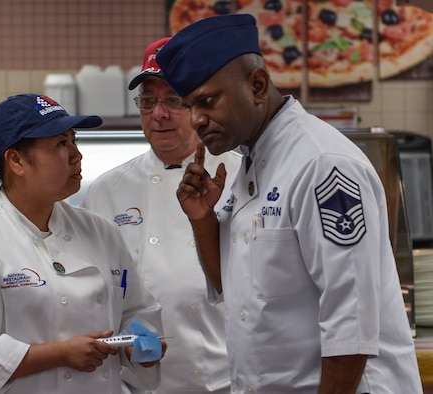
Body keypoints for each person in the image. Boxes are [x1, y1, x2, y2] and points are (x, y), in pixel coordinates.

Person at [155, 14, 423, 393]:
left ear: (258, 85)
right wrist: (203, 222)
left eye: (207, 101)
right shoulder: (248, 164)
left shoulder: (321, 164)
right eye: (190, 105)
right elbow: (236, 289)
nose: (196, 119)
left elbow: (352, 322)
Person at [0, 94, 166, 394]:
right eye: (61, 144)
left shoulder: (101, 232)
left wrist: (138, 346)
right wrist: (60, 354)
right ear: (17, 160)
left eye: (74, 141)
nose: (77, 155)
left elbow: (136, 311)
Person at [81, 38, 240, 393]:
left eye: (172, 100)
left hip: (223, 380)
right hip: (135, 384)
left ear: (200, 104)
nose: (159, 113)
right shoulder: (107, 190)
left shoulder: (239, 179)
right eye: (149, 101)